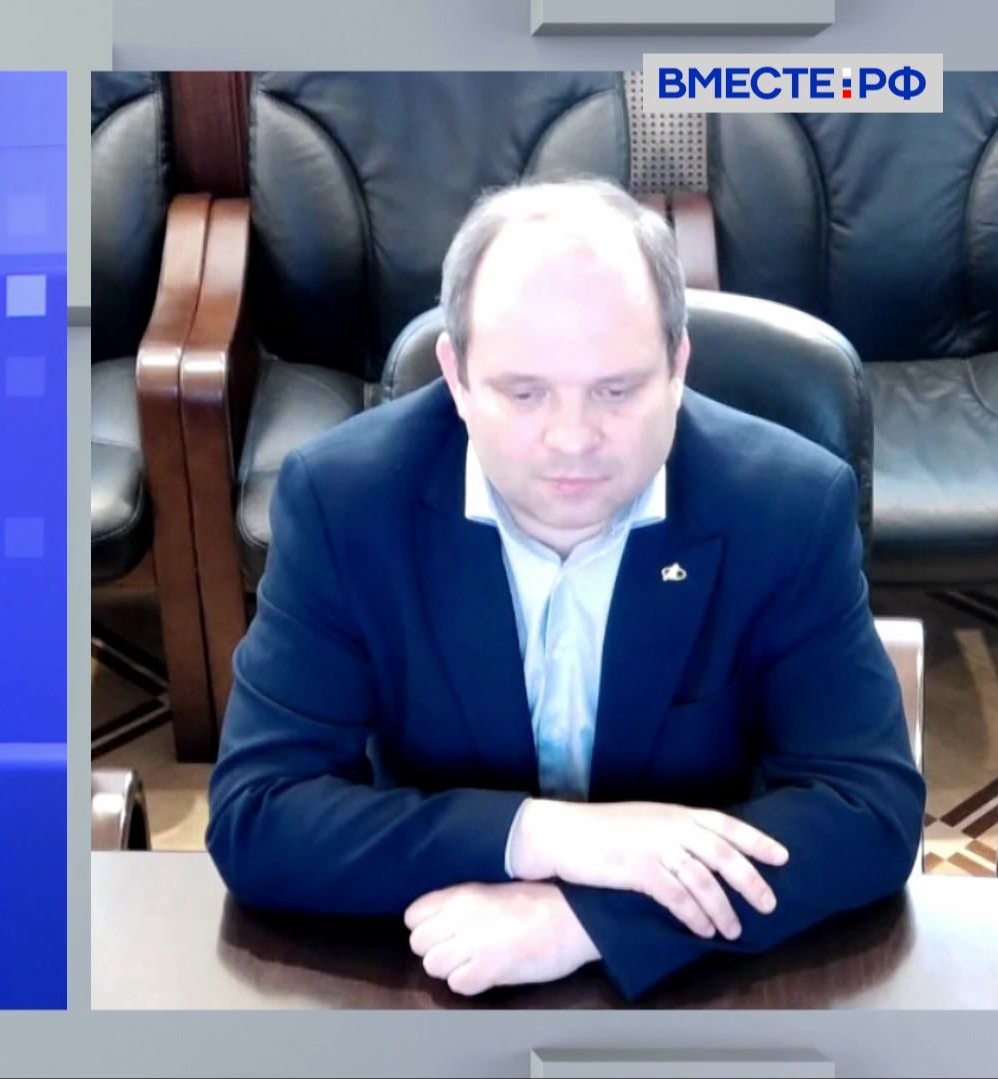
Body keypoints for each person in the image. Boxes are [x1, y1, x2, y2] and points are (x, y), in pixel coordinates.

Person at [204, 178, 925, 1000]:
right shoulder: (344, 502)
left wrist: (587, 918)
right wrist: (548, 837)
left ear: (678, 367)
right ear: (457, 376)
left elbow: (867, 810)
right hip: (431, 958)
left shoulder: (788, 506)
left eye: (616, 390)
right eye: (524, 392)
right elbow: (257, 815)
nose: (573, 438)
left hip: (703, 985)